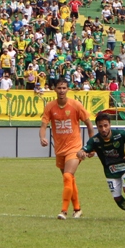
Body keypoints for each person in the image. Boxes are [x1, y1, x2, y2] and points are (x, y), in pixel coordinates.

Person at [39, 79, 94, 219]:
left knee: (67, 176)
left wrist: (91, 145)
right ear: (55, 89)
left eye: (64, 88)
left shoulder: (75, 105)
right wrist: (42, 137)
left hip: (75, 148)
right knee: (70, 179)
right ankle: (77, 209)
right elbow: (44, 125)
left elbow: (89, 124)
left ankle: (63, 211)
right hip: (59, 149)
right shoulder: (50, 107)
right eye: (59, 88)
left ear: (68, 89)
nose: (62, 90)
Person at [78, 111, 125, 220]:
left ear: (110, 125)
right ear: (97, 127)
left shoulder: (119, 134)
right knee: (117, 197)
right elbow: (83, 150)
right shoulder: (95, 140)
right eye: (100, 126)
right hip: (110, 170)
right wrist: (82, 153)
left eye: (106, 125)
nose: (103, 129)